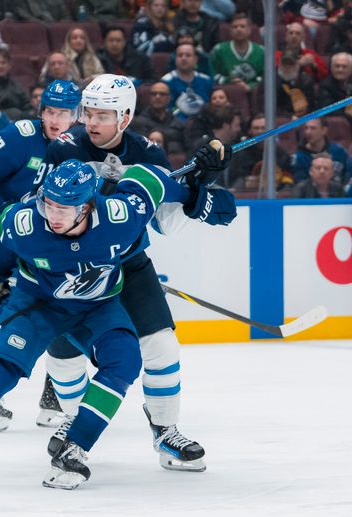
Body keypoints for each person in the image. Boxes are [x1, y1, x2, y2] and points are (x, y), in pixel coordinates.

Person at [0, 151, 231, 489]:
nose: (53, 215)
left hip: (97, 306)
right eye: (49, 205)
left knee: (126, 359)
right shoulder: (23, 222)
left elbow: (151, 180)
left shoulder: (121, 214)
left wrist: (197, 193)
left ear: (87, 207)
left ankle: (74, 450)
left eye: (63, 209)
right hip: (38, 305)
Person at [39, 74, 236, 472]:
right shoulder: (63, 149)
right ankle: (74, 421)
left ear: (125, 117)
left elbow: (166, 224)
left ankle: (165, 432)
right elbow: (45, 210)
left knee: (162, 345)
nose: (91, 122)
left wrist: (199, 186)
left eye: (102, 115)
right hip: (70, 267)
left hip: (128, 263)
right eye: (88, 112)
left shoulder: (148, 155)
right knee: (62, 353)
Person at [0, 79, 82, 430]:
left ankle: (54, 393)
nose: (56, 120)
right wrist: (3, 217)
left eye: (65, 113)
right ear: (41, 111)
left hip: (45, 237)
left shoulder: (81, 145)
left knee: (65, 304)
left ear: (78, 116)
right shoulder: (23, 135)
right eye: (50, 111)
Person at [209, 13, 264, 91]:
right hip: (226, 93)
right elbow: (212, 74)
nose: (238, 29)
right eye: (235, 27)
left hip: (255, 93)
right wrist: (229, 81)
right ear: (230, 31)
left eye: (242, 26)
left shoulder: (261, 51)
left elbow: (266, 77)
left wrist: (251, 86)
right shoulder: (218, 50)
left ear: (249, 30)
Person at [292, 117, 352, 184]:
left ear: (324, 130)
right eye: (306, 128)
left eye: (313, 128)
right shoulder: (299, 157)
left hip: (340, 193)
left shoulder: (338, 151)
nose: (308, 132)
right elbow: (300, 185)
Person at [160, 43, 214, 122]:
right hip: (175, 125)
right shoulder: (166, 81)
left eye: (188, 55)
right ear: (175, 59)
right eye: (180, 55)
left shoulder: (206, 80)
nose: (183, 58)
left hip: (203, 124)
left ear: (195, 59)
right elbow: (165, 111)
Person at [130, 81, 187, 154]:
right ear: (149, 97)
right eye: (154, 94)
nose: (158, 97)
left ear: (169, 98)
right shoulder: (137, 123)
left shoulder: (179, 124)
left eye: (162, 94)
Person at [315, 52, 352, 121]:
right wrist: (348, 114)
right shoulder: (324, 86)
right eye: (337, 66)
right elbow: (327, 110)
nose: (340, 70)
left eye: (344, 66)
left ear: (351, 69)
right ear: (331, 68)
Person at [0, 47, 34, 121]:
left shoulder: (17, 87)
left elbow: (28, 109)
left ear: (9, 66)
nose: (0, 66)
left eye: (3, 63)